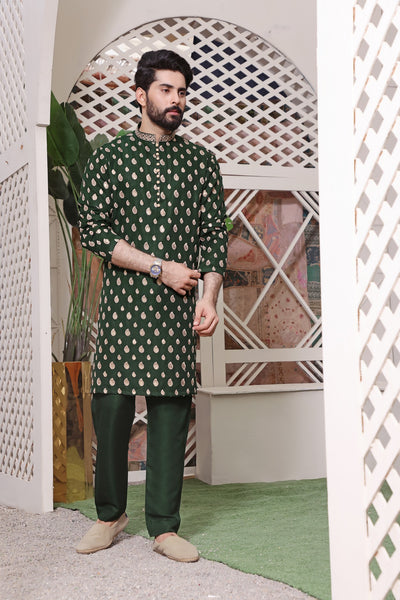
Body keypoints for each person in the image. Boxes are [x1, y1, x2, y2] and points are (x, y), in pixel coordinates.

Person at [75, 49, 228, 562]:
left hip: (177, 311)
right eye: (166, 89)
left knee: (169, 412)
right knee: (112, 408)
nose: (176, 99)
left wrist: (209, 297)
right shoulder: (110, 157)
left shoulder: (200, 162)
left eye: (182, 91)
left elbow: (213, 237)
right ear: (141, 95)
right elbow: (94, 232)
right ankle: (109, 516)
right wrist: (160, 268)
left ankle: (164, 527)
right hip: (124, 304)